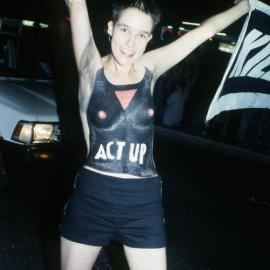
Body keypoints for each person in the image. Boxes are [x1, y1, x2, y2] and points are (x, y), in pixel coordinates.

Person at [59, 0, 250, 269]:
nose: (131, 43)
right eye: (124, 30)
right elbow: (78, 5)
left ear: (149, 38)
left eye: (141, 35)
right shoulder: (91, 72)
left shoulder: (150, 68)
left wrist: (245, 5)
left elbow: (206, 30)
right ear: (111, 28)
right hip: (93, 197)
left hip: (143, 202)